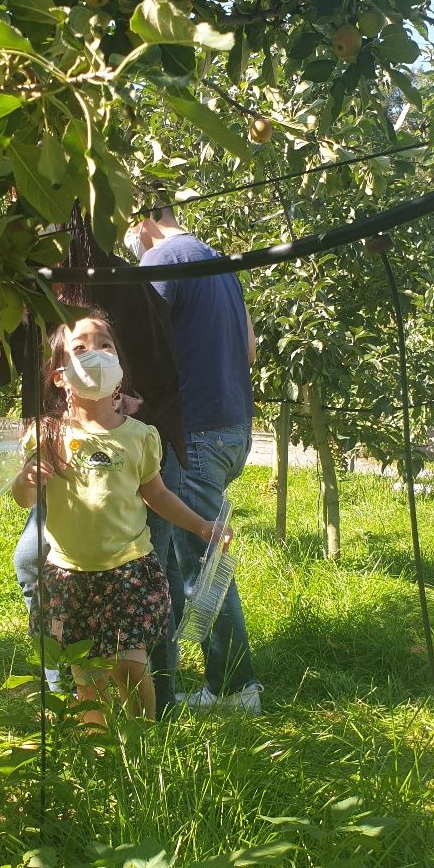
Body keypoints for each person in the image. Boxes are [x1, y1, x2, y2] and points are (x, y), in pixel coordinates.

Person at [0, 205, 186, 714]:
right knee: (37, 561)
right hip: (62, 446)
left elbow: (160, 368)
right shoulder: (30, 285)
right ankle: (74, 684)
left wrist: (132, 404)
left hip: (128, 444)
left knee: (145, 569)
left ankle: (158, 697)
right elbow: (1, 370)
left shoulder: (120, 283)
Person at [11, 310, 231, 724]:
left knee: (130, 666)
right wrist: (26, 479)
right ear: (60, 376)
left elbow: (157, 495)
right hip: (67, 575)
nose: (95, 354)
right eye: (80, 349)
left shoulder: (140, 436)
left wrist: (201, 525)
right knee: (87, 677)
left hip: (128, 570)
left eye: (104, 345)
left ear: (119, 367)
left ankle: (140, 737)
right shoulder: (48, 434)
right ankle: (97, 749)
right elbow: (24, 500)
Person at [124, 205, 261, 715]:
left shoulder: (160, 260)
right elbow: (248, 350)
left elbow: (140, 344)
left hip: (194, 432)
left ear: (145, 220)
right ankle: (168, 678)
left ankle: (233, 687)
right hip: (233, 428)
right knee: (186, 555)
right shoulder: (218, 263)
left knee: (199, 564)